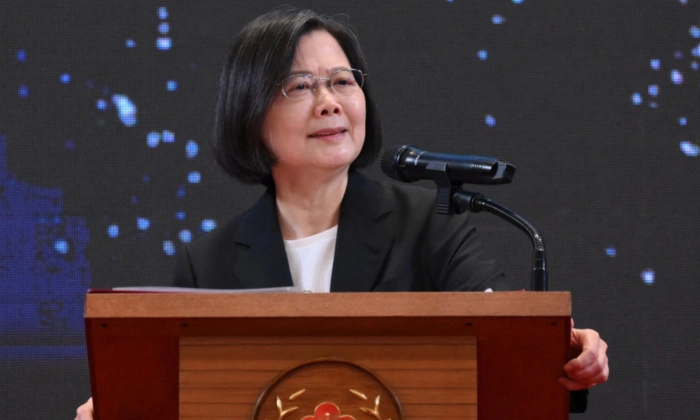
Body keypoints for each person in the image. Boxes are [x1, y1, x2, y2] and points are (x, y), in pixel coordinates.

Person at [76, 7, 608, 419]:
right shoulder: (207, 262)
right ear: (250, 111)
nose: (329, 101)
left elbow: (502, 333)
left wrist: (565, 349)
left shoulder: (428, 220)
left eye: (342, 81)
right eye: (300, 85)